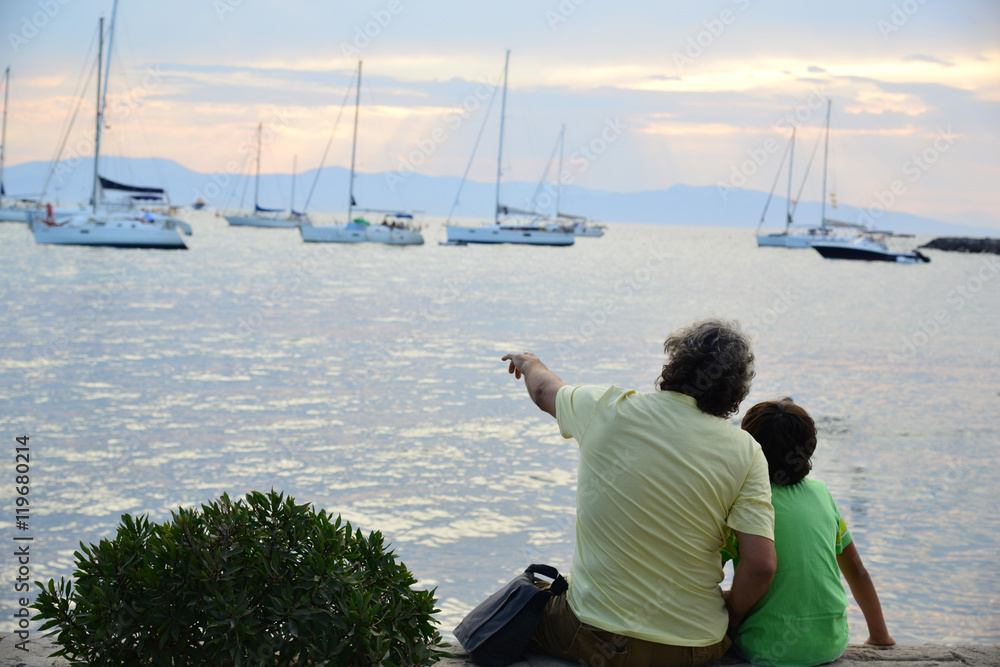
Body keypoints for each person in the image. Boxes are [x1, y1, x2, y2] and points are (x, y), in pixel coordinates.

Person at [501, 318, 776, 667]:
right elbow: (761, 565)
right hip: (695, 646)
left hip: (593, 636)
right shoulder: (746, 451)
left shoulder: (608, 408)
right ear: (736, 389)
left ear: (674, 363)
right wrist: (731, 616)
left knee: (522, 604)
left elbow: (544, 392)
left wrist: (530, 363)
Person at [724, 398, 895, 666]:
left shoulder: (744, 502)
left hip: (766, 647)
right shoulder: (822, 494)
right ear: (809, 448)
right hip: (831, 643)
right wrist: (880, 635)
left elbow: (704, 570)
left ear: (747, 448)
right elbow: (856, 568)